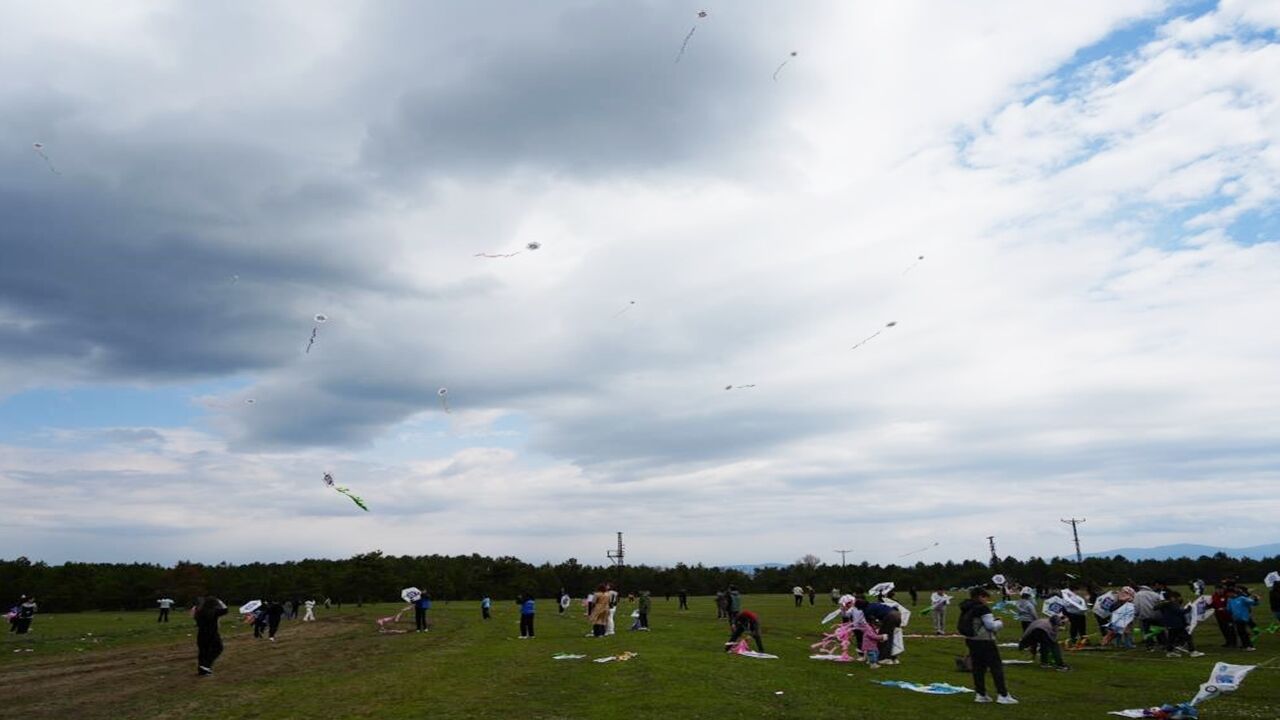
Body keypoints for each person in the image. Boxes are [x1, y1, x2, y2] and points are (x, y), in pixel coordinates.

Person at [959, 587, 1017, 705]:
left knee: (978, 668)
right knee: (996, 667)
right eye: (985, 597)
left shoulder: (966, 607)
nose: (986, 600)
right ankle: (1003, 695)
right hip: (985, 641)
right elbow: (991, 626)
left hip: (971, 640)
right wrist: (999, 622)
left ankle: (981, 694)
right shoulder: (983, 608)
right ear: (981, 596)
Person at [1157, 590, 1203, 657]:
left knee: (1171, 639)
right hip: (1177, 624)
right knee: (1187, 637)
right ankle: (1192, 651)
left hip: (1170, 625)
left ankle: (1170, 652)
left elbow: (1156, 608)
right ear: (1171, 597)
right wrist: (1189, 608)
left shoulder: (1164, 604)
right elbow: (1180, 612)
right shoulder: (1171, 604)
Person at [193, 596, 228, 677]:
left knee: (203, 652)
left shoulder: (199, 612)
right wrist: (220, 601)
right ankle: (206, 665)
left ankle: (202, 671)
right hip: (212, 634)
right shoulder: (214, 612)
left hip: (201, 634)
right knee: (218, 648)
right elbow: (225, 610)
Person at [1132, 585, 1164, 650]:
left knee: (1147, 631)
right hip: (1156, 615)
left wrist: (1136, 614)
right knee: (1158, 629)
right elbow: (1161, 603)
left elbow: (1136, 605)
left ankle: (1150, 644)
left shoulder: (1137, 595)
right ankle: (1162, 643)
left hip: (1145, 615)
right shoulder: (1155, 594)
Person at [1228, 587, 1259, 651]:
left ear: (1234, 593)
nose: (1229, 594)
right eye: (1228, 593)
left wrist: (1256, 599)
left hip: (1243, 618)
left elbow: (1253, 603)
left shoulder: (1242, 598)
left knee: (1243, 632)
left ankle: (1249, 646)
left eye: (1230, 593)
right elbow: (1229, 609)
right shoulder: (1230, 600)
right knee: (1240, 632)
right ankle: (1244, 645)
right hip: (1236, 619)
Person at [1211, 583, 1238, 648]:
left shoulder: (1227, 596)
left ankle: (1233, 643)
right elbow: (1213, 604)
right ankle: (1228, 642)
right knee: (1223, 629)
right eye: (1218, 589)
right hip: (1219, 615)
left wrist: (1225, 608)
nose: (1220, 591)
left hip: (1228, 616)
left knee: (1230, 629)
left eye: (1221, 589)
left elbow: (1232, 605)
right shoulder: (1214, 596)